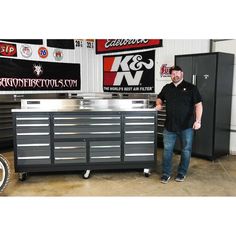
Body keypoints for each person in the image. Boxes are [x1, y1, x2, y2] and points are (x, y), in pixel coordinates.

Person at [156, 65, 203, 184]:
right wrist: (159, 103)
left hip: (186, 126)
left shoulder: (191, 88)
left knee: (186, 150)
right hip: (169, 126)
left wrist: (198, 121)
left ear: (182, 74)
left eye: (177, 73)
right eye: (172, 74)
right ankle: (166, 174)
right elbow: (159, 98)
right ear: (170, 75)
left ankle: (182, 173)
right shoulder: (167, 88)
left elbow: (198, 105)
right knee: (167, 151)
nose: (175, 75)